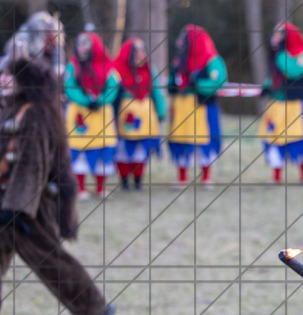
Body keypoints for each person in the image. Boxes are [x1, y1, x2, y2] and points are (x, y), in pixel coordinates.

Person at [0, 57, 115, 315]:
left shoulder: (37, 114)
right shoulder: (2, 111)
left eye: (11, 75)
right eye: (2, 73)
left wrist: (17, 210)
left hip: (31, 206)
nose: (3, 79)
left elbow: (32, 165)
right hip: (1, 201)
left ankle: (99, 310)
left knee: (51, 264)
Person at [167, 24, 227, 186]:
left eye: (183, 38)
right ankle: (182, 177)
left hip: (203, 107)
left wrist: (198, 84)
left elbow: (219, 81)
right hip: (182, 107)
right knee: (181, 140)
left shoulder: (212, 60)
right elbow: (172, 83)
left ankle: (206, 177)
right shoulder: (179, 60)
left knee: (205, 141)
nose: (179, 41)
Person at [259, 21, 303, 184]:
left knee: (300, 141)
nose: (275, 38)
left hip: (296, 106)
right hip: (277, 105)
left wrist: (280, 52)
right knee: (274, 139)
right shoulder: (278, 54)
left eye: (279, 34)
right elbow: (274, 76)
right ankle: (276, 177)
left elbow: (292, 71)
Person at [64, 31, 120, 200]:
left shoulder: (107, 67)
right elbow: (69, 86)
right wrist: (85, 101)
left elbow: (113, 86)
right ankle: (81, 188)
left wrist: (101, 101)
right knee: (79, 151)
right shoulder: (72, 66)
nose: (81, 48)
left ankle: (100, 187)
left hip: (101, 115)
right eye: (79, 45)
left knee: (102, 151)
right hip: (79, 114)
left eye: (85, 45)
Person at [114, 37, 167, 191]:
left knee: (141, 150)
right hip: (124, 114)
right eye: (136, 51)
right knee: (123, 149)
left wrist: (161, 112)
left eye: (143, 50)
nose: (141, 54)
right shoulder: (118, 69)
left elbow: (157, 92)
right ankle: (124, 180)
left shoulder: (150, 70)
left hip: (146, 114)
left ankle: (138, 180)